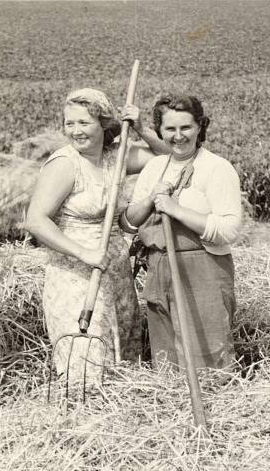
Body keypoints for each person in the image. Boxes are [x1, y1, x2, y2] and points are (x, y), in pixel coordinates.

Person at [25, 88, 167, 385]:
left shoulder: (116, 157)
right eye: (69, 123)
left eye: (84, 123)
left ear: (103, 123)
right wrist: (83, 253)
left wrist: (141, 127)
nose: (75, 131)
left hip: (115, 268)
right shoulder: (65, 164)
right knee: (88, 353)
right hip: (76, 273)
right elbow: (36, 221)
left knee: (122, 353)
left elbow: (166, 155)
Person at [123, 94, 242, 370]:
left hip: (202, 269)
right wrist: (150, 200)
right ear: (159, 131)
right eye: (170, 129)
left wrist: (176, 210)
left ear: (200, 126)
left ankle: (212, 407)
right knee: (166, 358)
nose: (178, 136)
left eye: (186, 127)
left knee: (207, 359)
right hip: (158, 265)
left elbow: (228, 230)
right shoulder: (153, 168)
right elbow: (128, 223)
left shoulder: (216, 168)